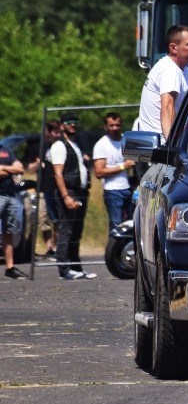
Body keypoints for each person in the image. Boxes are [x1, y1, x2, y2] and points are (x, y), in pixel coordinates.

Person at [51, 112, 96, 280]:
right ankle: (64, 269)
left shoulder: (74, 144)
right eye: (69, 122)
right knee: (66, 231)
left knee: (76, 232)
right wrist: (66, 197)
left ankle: (76, 267)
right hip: (69, 192)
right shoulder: (60, 146)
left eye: (75, 121)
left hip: (80, 192)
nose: (73, 125)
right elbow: (58, 173)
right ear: (62, 125)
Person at [137, 24, 188, 139]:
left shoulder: (181, 68)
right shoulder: (170, 70)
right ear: (173, 48)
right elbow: (167, 108)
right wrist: (171, 147)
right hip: (161, 145)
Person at [24, 120, 62, 260]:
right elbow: (29, 168)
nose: (57, 135)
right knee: (43, 220)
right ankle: (50, 248)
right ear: (48, 132)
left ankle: (58, 248)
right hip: (43, 188)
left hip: (58, 187)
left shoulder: (62, 146)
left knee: (57, 220)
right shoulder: (41, 147)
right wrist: (39, 162)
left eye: (59, 132)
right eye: (54, 132)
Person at [92, 112, 136, 233]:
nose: (115, 128)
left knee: (133, 225)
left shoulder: (125, 140)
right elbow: (99, 172)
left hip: (128, 189)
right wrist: (123, 166)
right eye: (111, 125)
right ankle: (115, 251)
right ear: (105, 127)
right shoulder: (102, 145)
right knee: (117, 226)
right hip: (113, 191)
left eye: (117, 125)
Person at [0, 141, 28, 280]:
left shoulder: (6, 151)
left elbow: (20, 168)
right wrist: (10, 169)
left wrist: (4, 167)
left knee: (8, 232)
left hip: (10, 195)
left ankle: (10, 267)